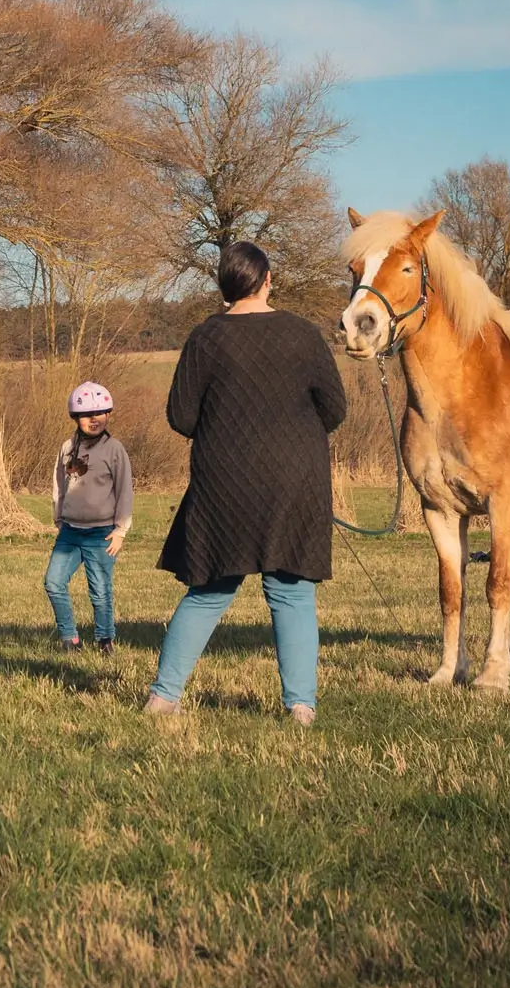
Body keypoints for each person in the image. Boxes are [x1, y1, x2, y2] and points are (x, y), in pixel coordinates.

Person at [148, 242, 346, 724]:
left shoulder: (205, 337)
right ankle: (300, 707)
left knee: (210, 590)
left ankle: (162, 698)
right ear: (268, 279)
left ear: (225, 285)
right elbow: (335, 410)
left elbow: (180, 416)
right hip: (295, 479)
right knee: (292, 591)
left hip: (224, 481)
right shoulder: (302, 334)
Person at [44, 381, 133, 652]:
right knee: (53, 582)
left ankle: (105, 640)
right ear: (75, 417)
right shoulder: (67, 447)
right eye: (86, 415)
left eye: (100, 413)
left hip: (101, 533)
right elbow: (59, 484)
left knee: (100, 591)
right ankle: (70, 639)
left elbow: (125, 490)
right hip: (70, 532)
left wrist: (120, 531)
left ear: (108, 415)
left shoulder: (114, 449)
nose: (94, 419)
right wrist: (59, 518)